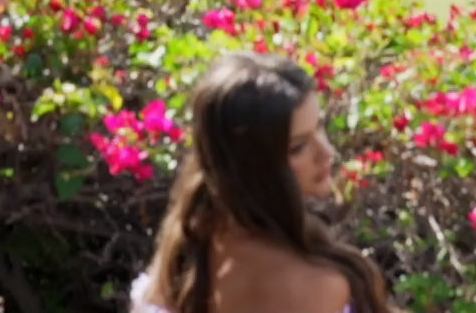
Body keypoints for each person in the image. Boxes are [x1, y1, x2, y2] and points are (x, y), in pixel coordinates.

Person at [131, 52, 391, 313]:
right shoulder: (317, 285)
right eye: (298, 147)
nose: (326, 152)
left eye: (320, 127)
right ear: (252, 164)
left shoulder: (186, 247)